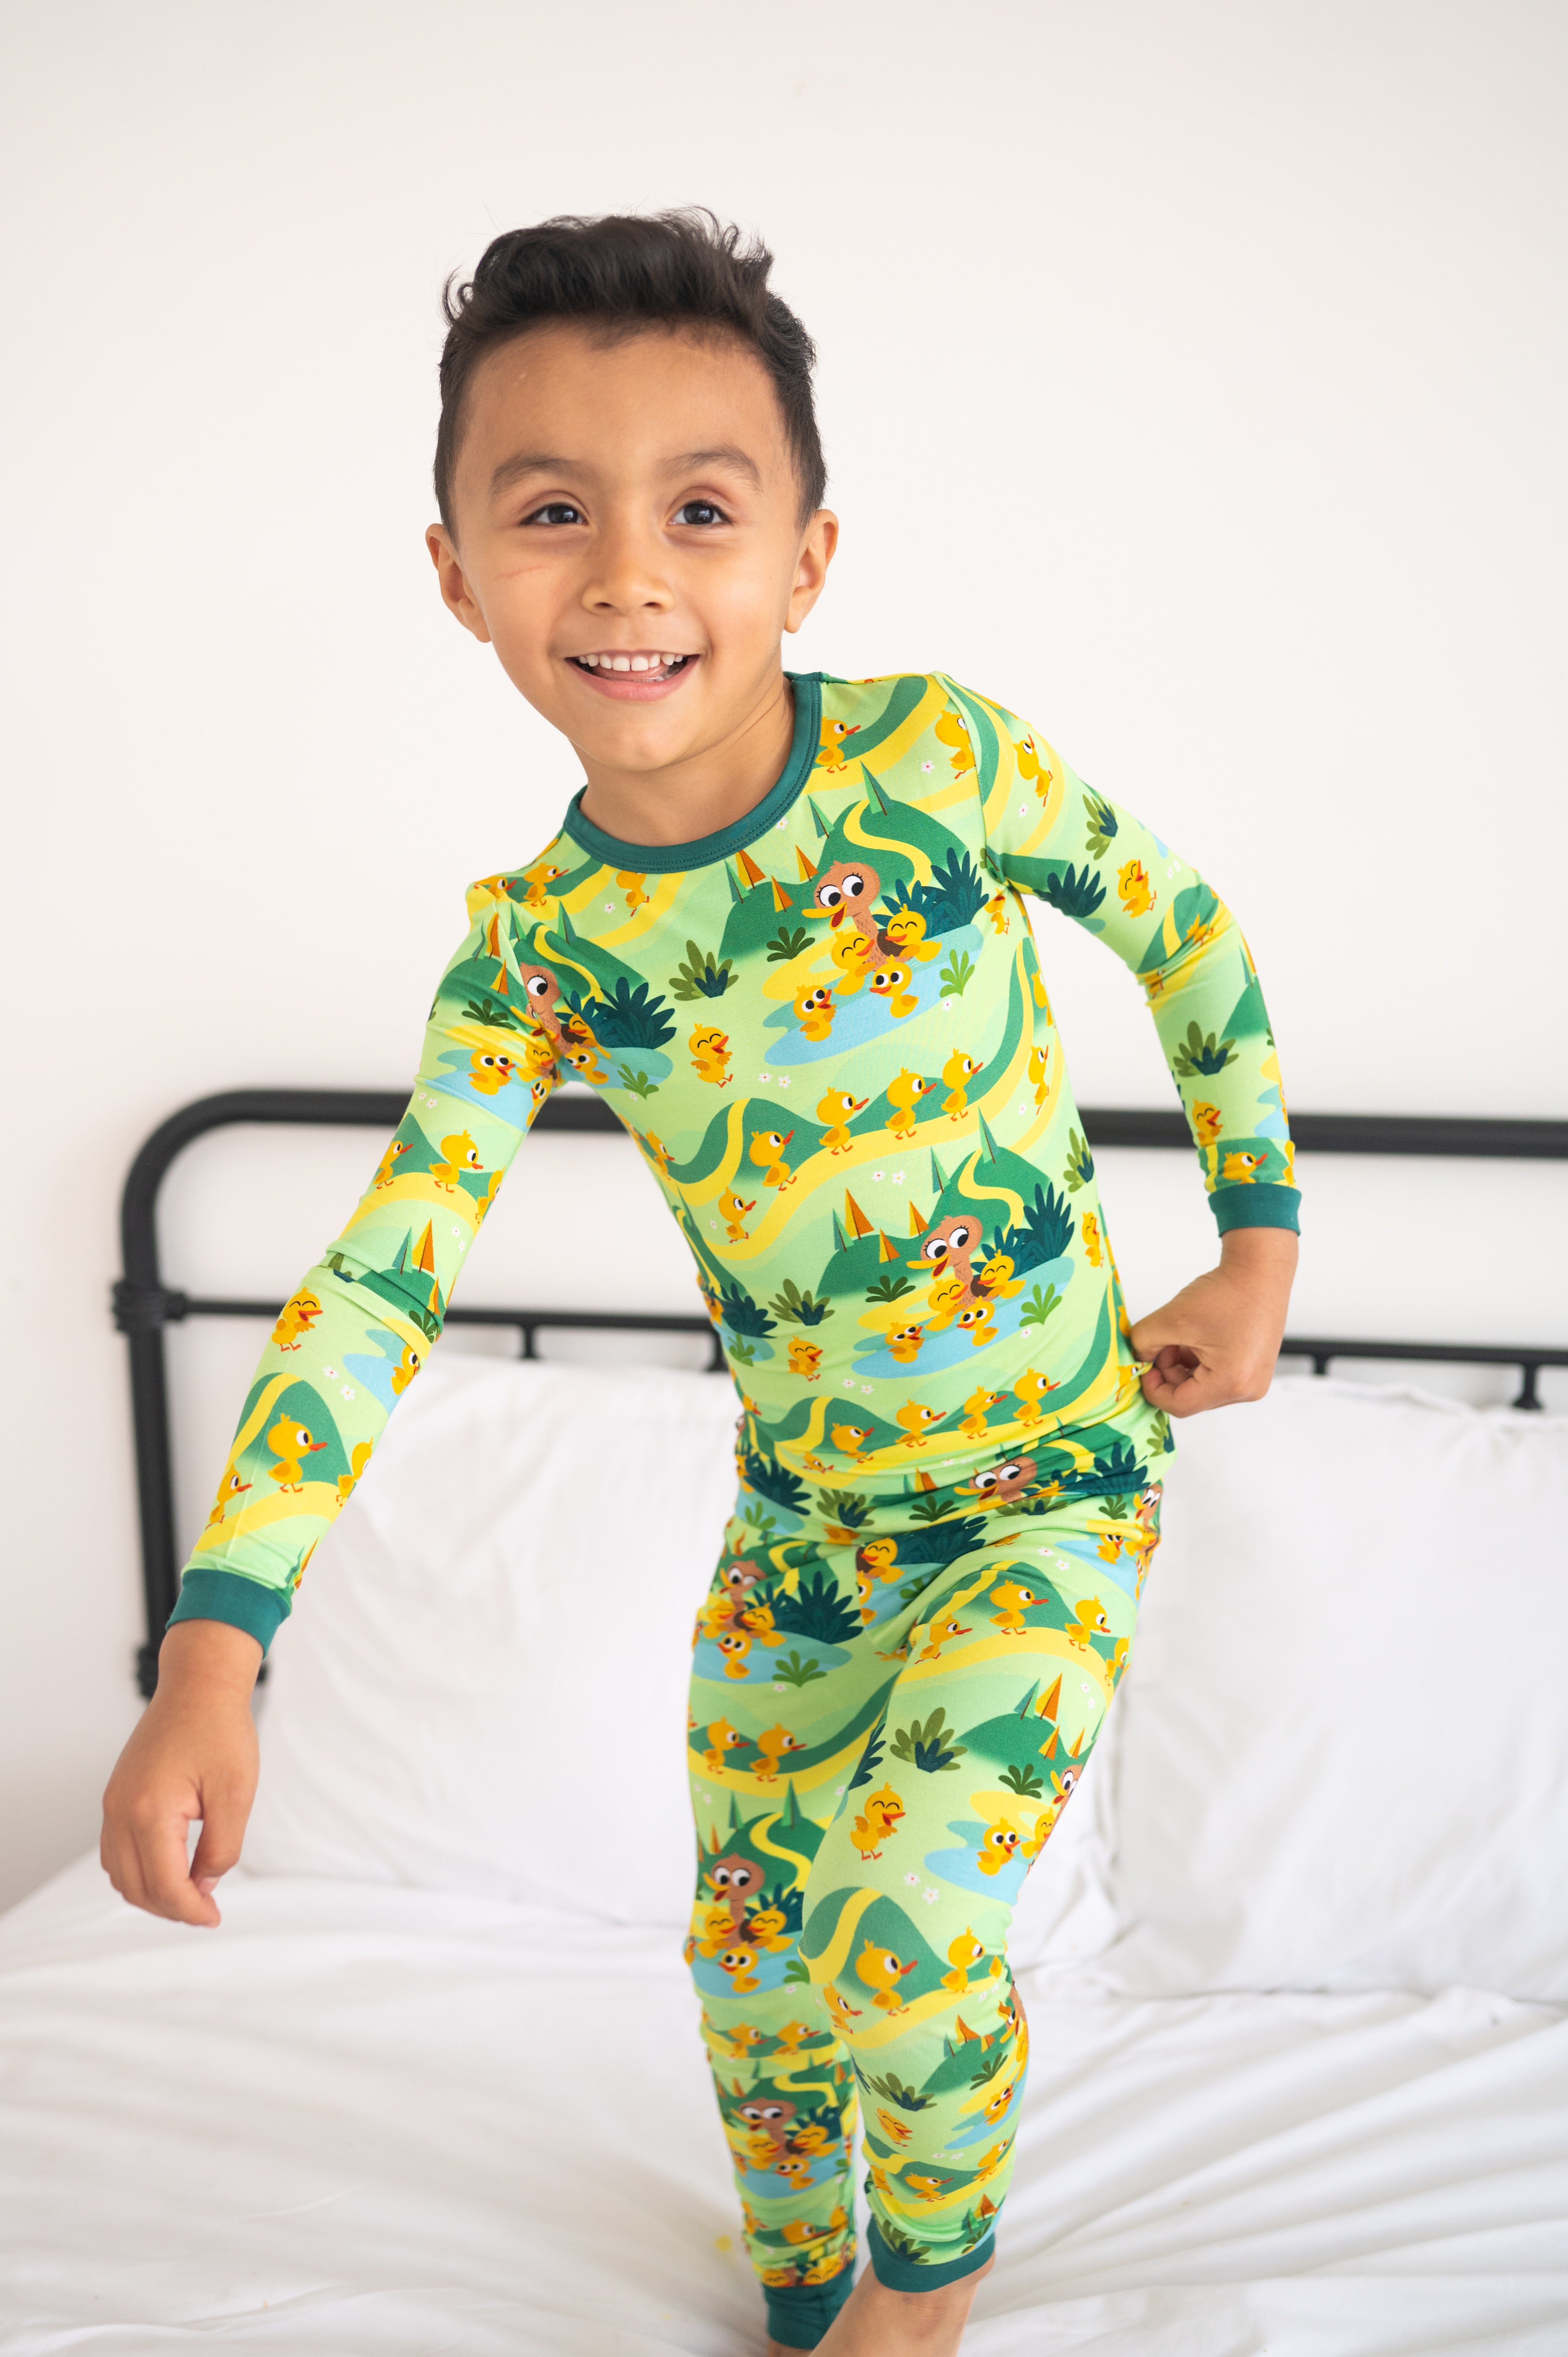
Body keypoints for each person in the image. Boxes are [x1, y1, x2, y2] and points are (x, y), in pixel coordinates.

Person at [101, 210, 1300, 2357]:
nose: (630, 574)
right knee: (754, 1981)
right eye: (552, 513)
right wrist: (215, 1652)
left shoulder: (933, 764)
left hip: (1043, 1490)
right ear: (459, 575)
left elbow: (1180, 927)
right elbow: (380, 1278)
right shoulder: (538, 954)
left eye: (701, 511)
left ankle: (918, 2319)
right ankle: (799, 2299)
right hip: (804, 1545)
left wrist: (1257, 1239)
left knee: (905, 1928)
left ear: (806, 562)